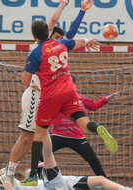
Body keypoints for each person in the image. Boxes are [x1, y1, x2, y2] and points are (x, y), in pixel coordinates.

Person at [0, 1, 95, 190]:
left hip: (50, 98)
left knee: (44, 144)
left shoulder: (57, 45)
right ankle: (10, 172)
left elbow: (72, 31)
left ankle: (44, 178)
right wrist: (64, 5)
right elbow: (54, 20)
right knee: (28, 137)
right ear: (47, 34)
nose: (58, 37)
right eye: (55, 34)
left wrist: (79, 10)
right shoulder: (37, 48)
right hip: (36, 94)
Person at [19, 20, 117, 186]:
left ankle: (34, 176)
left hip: (52, 95)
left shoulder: (36, 53)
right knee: (85, 125)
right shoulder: (60, 42)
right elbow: (78, 42)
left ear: (34, 36)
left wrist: (37, 69)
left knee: (39, 136)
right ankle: (97, 128)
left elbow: (25, 81)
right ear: (48, 32)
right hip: (70, 89)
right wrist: (87, 41)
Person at [0, 132, 133, 190]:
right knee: (48, 153)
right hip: (55, 186)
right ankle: (43, 129)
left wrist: (4, 174)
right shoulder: (20, 187)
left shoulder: (21, 183)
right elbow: (14, 181)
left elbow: (19, 176)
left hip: (63, 183)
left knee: (101, 180)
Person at [38, 75, 120, 177]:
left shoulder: (76, 97)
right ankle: (34, 180)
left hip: (75, 137)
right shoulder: (57, 97)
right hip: (59, 136)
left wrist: (106, 99)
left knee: (93, 160)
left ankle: (105, 184)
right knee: (40, 157)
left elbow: (93, 106)